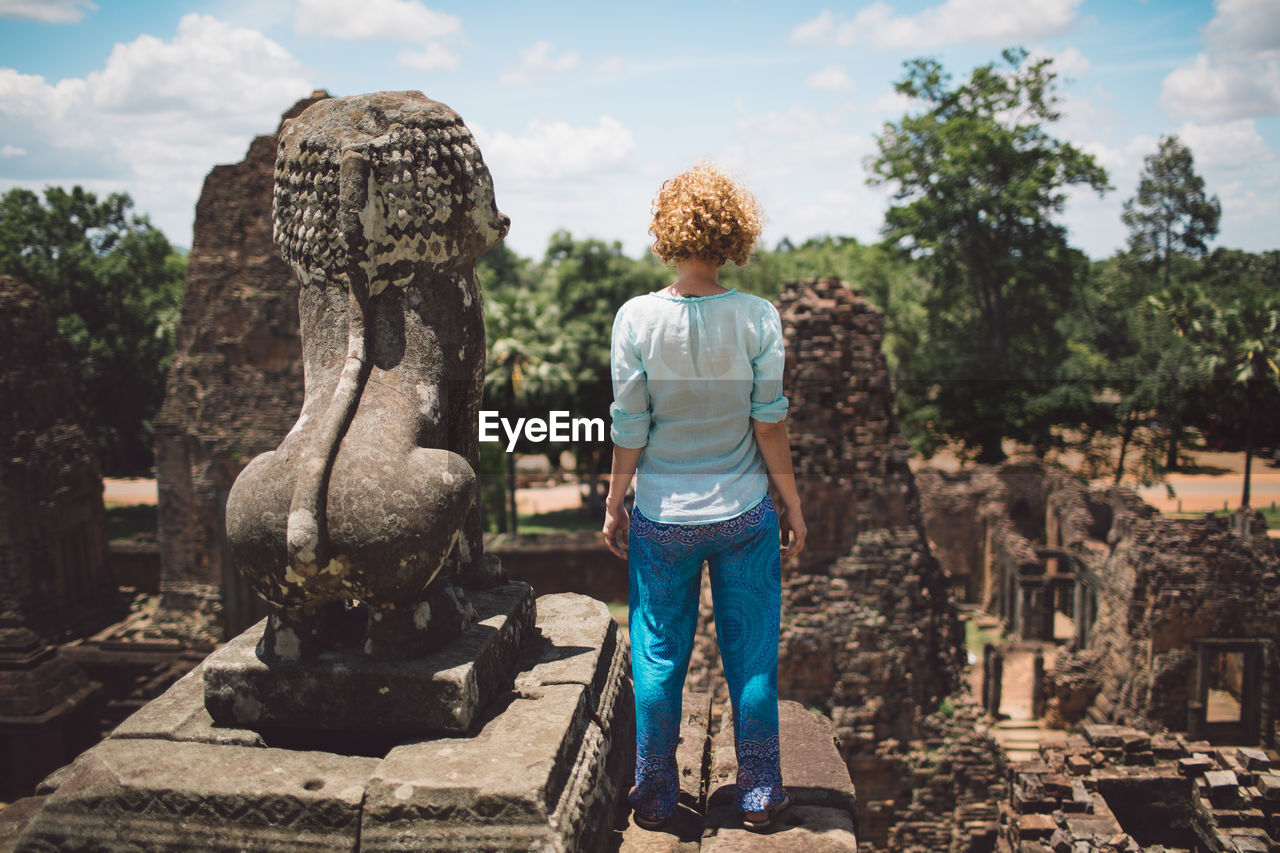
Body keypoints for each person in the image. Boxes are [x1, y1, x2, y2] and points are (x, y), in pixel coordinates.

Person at [602, 163, 806, 832]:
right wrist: (792, 502)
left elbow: (630, 426)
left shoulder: (636, 319)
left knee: (659, 656)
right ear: (733, 233)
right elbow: (769, 422)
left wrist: (614, 500)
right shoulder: (757, 316)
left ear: (667, 232)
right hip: (745, 511)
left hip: (663, 516)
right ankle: (758, 795)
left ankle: (658, 794)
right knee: (752, 657)